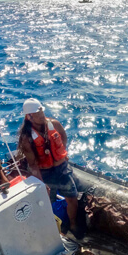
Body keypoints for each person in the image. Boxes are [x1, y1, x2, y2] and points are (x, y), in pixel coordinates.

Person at [17, 98, 81, 237]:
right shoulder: (27, 138)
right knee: (48, 203)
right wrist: (41, 183)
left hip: (62, 169)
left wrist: (62, 153)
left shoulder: (54, 124)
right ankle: (53, 229)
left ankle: (73, 224)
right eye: (37, 114)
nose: (41, 116)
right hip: (46, 173)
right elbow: (33, 164)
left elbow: (63, 136)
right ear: (29, 117)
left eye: (41, 112)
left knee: (72, 198)